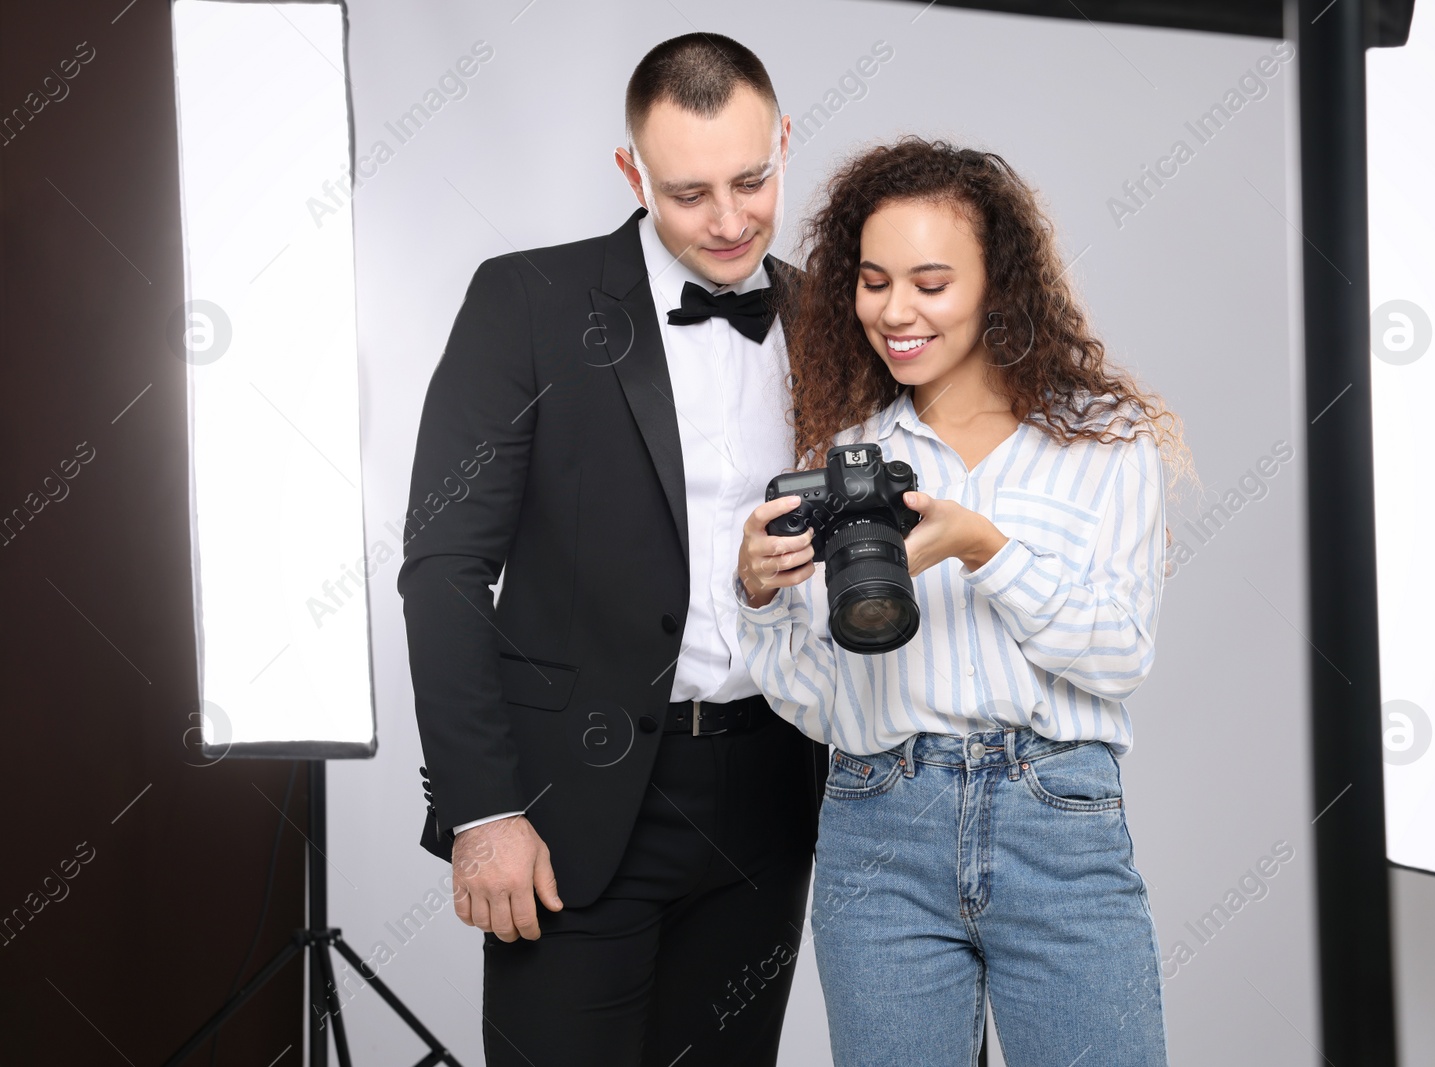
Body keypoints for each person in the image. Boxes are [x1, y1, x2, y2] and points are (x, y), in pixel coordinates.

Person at [398, 33, 827, 1067]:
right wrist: (484, 807)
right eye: (687, 193)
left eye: (751, 180)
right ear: (632, 174)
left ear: (782, 142)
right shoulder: (526, 302)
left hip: (770, 794)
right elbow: (444, 566)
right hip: (568, 810)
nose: (727, 221)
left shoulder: (827, 317)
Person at [734, 136, 1196, 1066]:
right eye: (872, 281)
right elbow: (826, 702)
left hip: (1057, 819)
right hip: (878, 823)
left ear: (999, 286)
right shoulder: (847, 460)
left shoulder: (1108, 444)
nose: (894, 312)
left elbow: (1119, 655)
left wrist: (984, 547)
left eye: (930, 283)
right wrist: (760, 596)